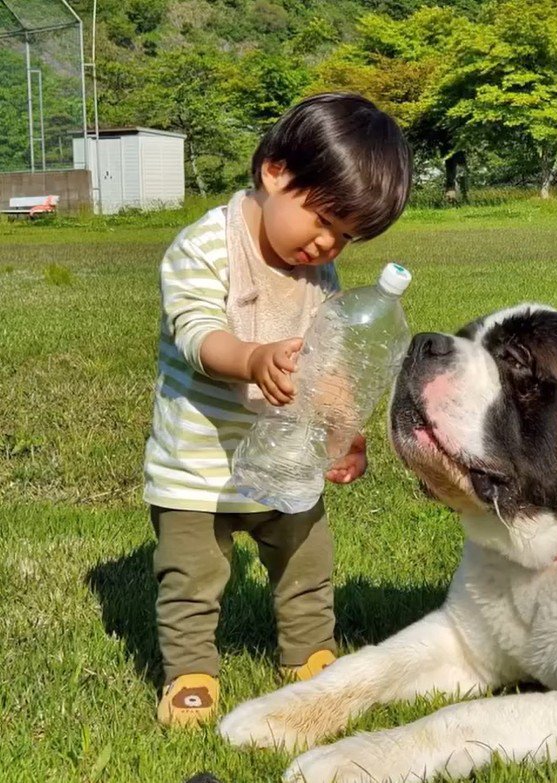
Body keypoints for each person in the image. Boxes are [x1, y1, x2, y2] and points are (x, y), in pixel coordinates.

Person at [143, 93, 412, 726]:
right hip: (198, 466)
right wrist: (252, 357)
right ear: (276, 172)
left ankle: (307, 656)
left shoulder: (320, 274)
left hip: (285, 457)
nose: (327, 246)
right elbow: (195, 329)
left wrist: (344, 432)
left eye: (346, 237)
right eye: (323, 220)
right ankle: (190, 674)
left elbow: (332, 363)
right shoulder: (204, 245)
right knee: (192, 578)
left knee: (307, 562)